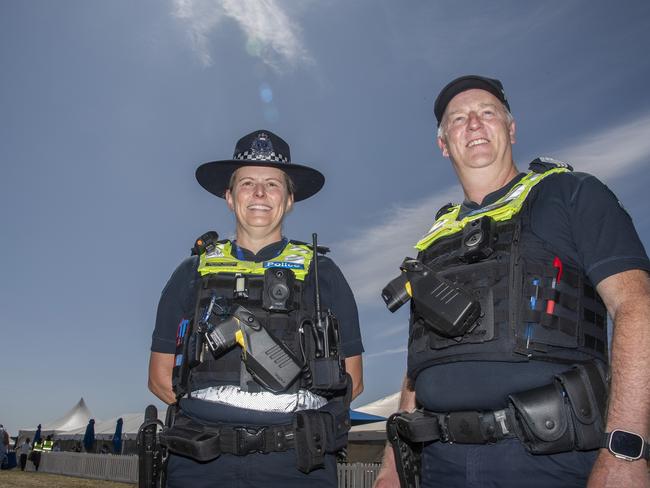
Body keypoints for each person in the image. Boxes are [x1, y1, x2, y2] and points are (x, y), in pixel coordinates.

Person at [374, 75, 650, 488]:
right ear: (444, 144)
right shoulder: (433, 241)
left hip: (549, 460)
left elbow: (637, 307)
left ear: (511, 128)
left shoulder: (571, 194)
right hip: (437, 462)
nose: (474, 125)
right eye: (458, 119)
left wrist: (626, 451)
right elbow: (418, 363)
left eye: (487, 113)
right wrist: (392, 464)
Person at [148, 130, 364, 488]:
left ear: (290, 199)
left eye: (273, 184)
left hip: (296, 466)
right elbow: (159, 377)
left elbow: (352, 380)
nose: (260, 193)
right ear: (230, 198)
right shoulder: (192, 271)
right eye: (247, 183)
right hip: (199, 463)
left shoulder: (322, 273)